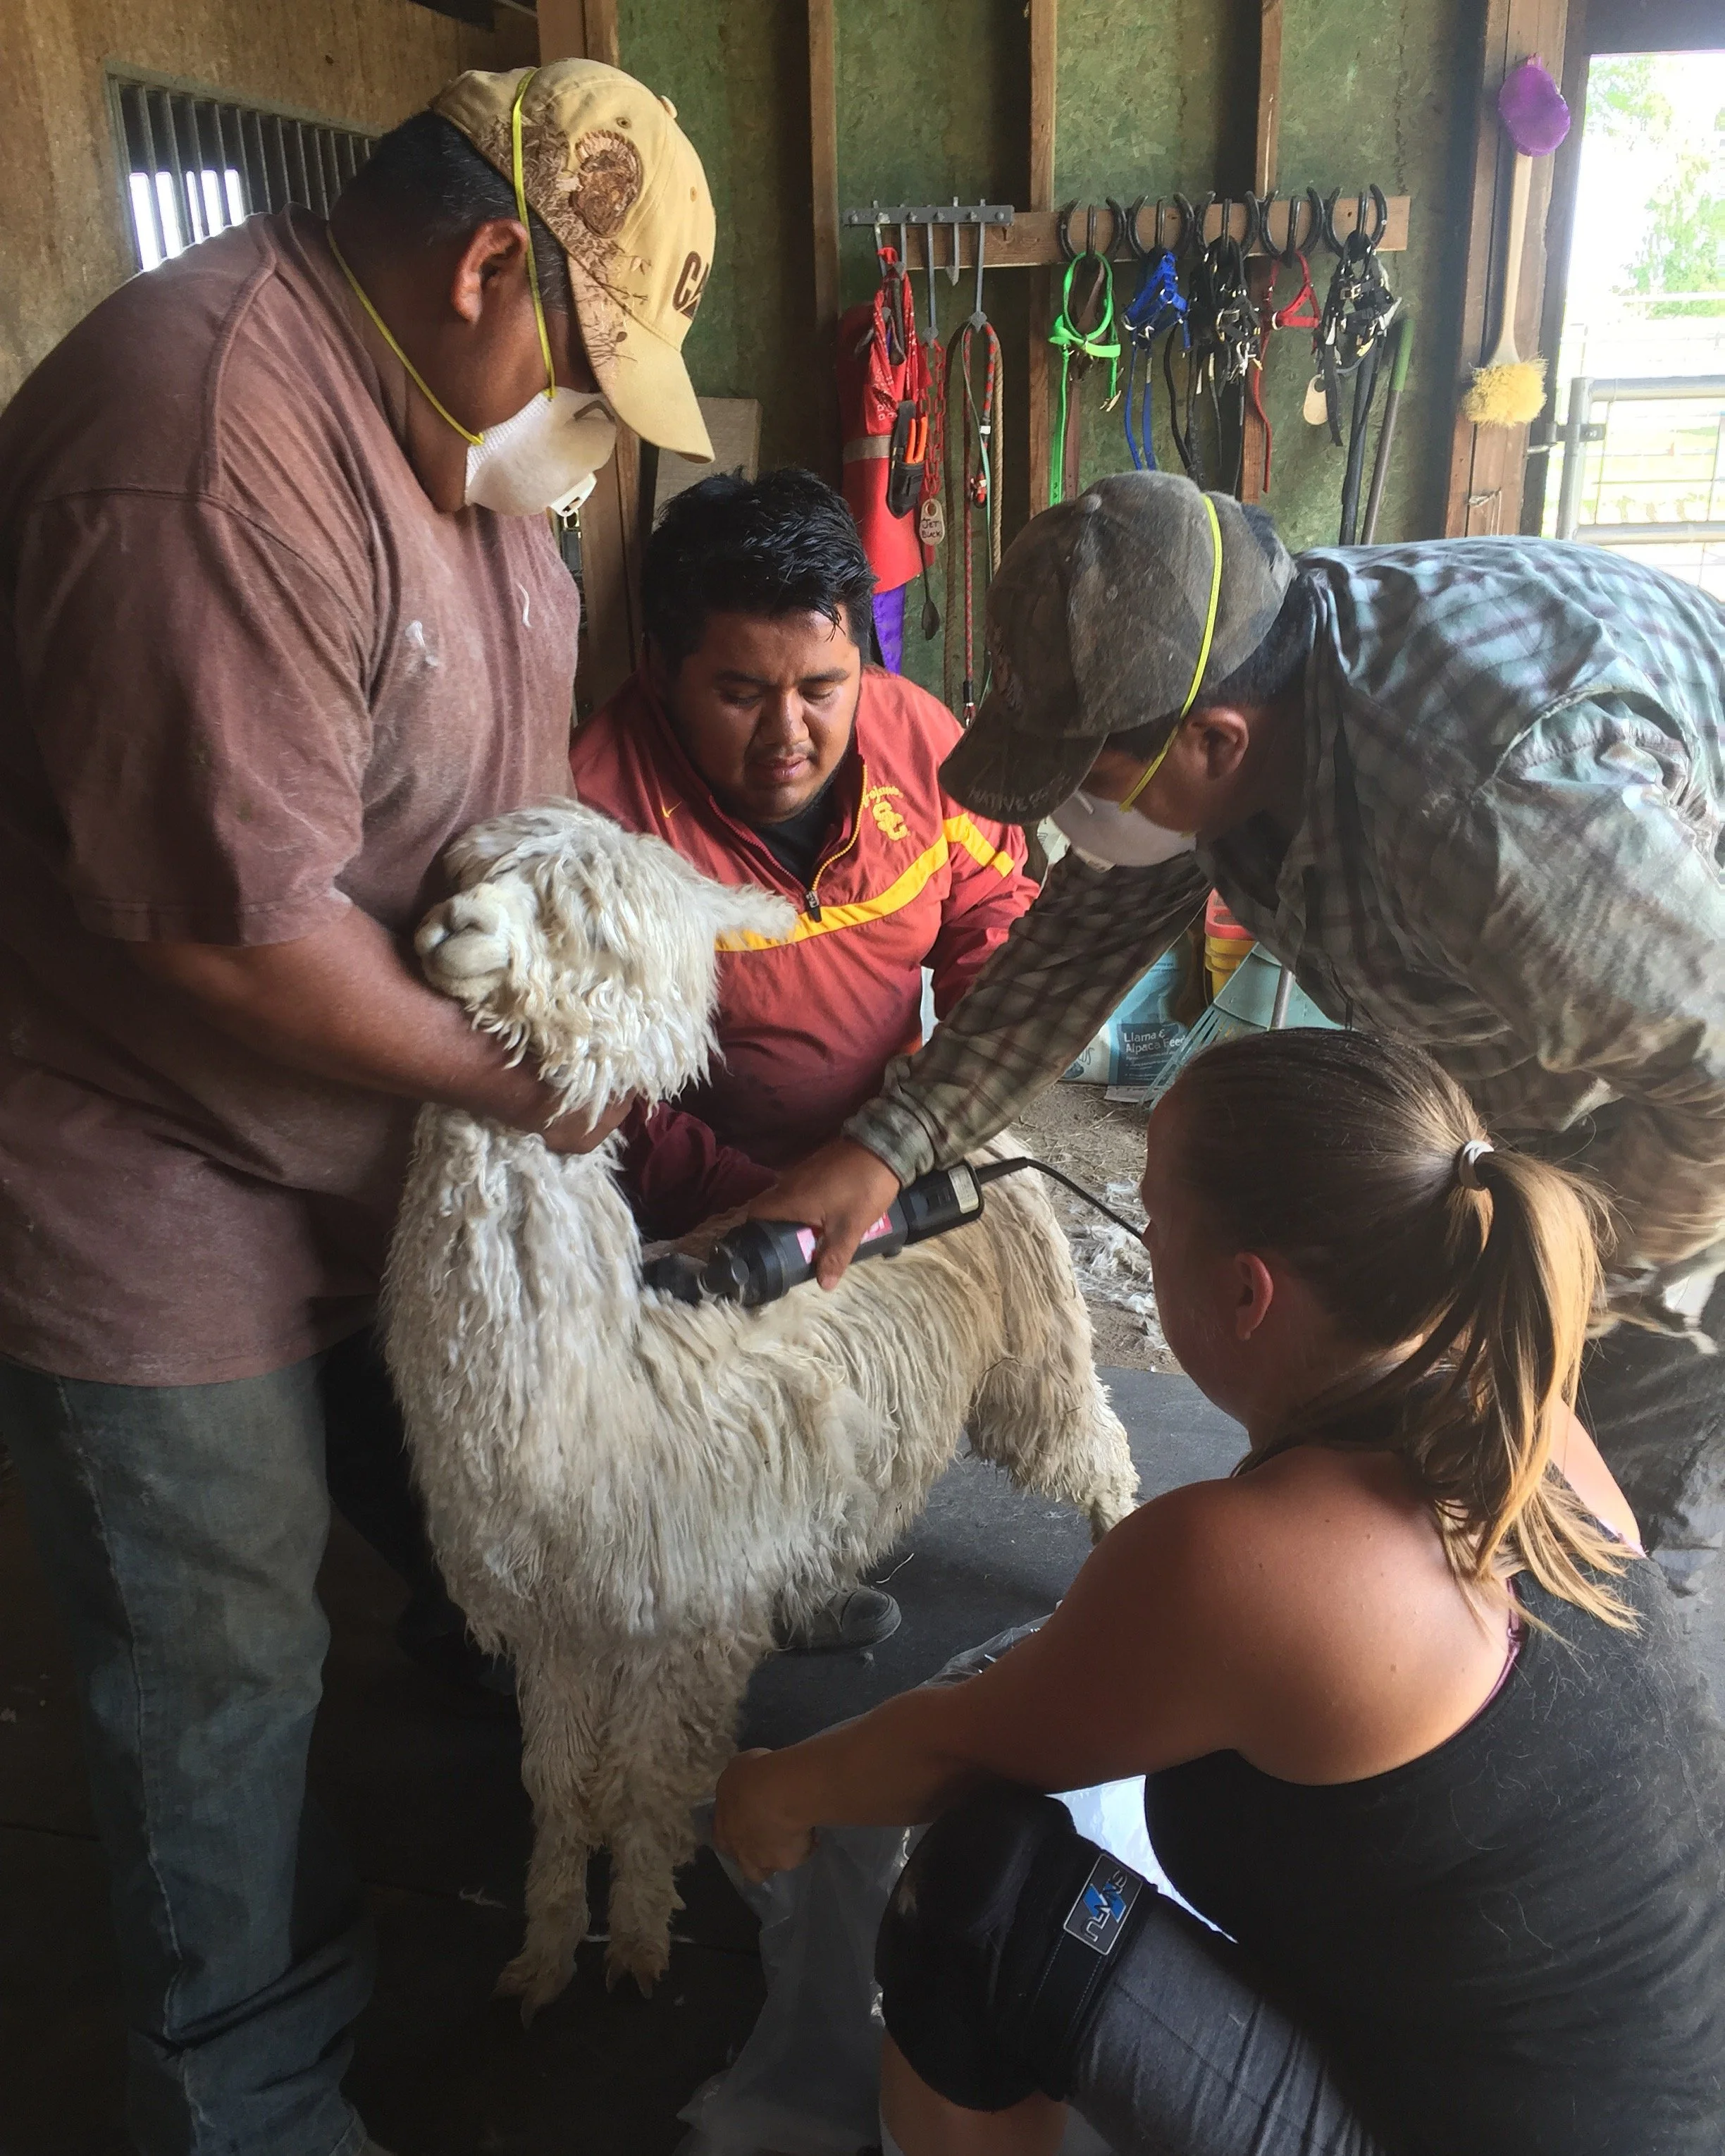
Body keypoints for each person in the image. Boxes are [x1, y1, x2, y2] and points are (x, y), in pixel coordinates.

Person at [0, 58, 705, 2156]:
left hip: (380, 1137)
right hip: (152, 1149)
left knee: (486, 1503)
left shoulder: (457, 443)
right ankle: (250, 2091)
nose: (590, 440)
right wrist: (544, 1072)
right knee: (217, 1670)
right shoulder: (210, 445)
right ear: (491, 264)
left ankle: (563, 1821)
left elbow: (505, 784)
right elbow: (224, 941)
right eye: (592, 381)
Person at [715, 1028, 1725, 2156]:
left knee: (981, 1903)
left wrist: (773, 1789)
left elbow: (955, 1747)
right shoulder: (1529, 1417)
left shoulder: (1248, 1561)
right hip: (1650, 2079)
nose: (1140, 1236)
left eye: (1151, 1218)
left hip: (1454, 2127)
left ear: (1247, 1292)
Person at [751, 473, 1725, 1603]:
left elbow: (1710, 1086)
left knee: (1601, 1526)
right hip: (1585, 1034)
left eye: (1090, 782)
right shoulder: (1238, 676)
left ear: (1216, 741)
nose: (1074, 821)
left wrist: (1565, 1295)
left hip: (1690, 1132)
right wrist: (887, 1146)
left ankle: (1621, 1721)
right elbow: (1074, 945)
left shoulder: (1495, 817)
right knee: (1453, 1457)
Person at [569, 468, 1037, 1648]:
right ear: (663, 669)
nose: (791, 733)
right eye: (740, 692)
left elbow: (1000, 925)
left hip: (892, 1145)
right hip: (693, 1201)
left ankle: (813, 1542)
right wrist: (760, 1216)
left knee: (902, 1386)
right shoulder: (594, 807)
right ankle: (716, 1588)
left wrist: (927, 1124)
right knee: (684, 1453)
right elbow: (596, 1088)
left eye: (823, 687)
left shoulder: (928, 743)